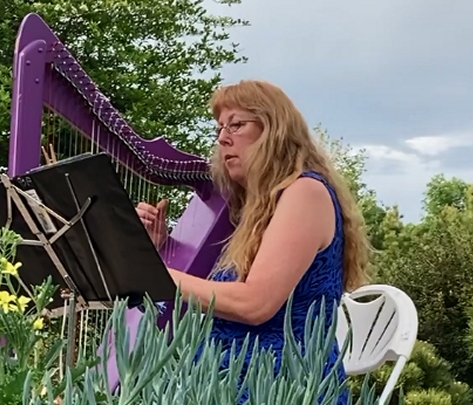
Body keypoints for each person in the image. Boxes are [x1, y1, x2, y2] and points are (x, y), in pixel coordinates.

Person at [136, 80, 370, 403]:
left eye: (236, 124)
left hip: (282, 387)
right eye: (220, 127)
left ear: (274, 130)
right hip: (226, 383)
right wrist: (161, 249)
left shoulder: (306, 193)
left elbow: (254, 304)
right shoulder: (257, 210)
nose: (222, 137)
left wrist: (150, 272)